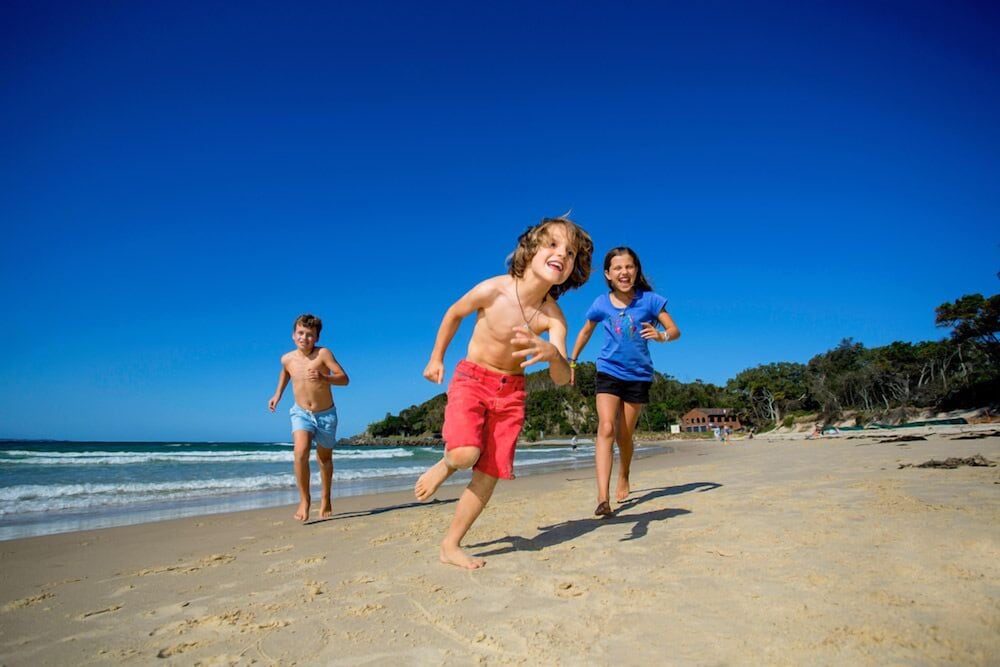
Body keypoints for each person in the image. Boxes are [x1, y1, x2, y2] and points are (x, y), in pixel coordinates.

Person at [414, 215, 594, 569]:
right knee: (466, 454)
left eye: (571, 252)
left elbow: (561, 378)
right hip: (472, 379)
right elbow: (454, 313)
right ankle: (447, 463)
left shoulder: (553, 318)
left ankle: (450, 545)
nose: (563, 254)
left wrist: (553, 355)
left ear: (573, 268)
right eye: (553, 244)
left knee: (489, 474)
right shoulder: (494, 289)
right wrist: (436, 358)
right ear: (529, 249)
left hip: (510, 394)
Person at [569, 247, 680, 517]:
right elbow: (585, 333)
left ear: (636, 271)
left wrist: (661, 335)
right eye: (617, 268)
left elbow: (675, 330)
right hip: (607, 371)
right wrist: (571, 362)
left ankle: (625, 474)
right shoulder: (600, 304)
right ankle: (602, 498)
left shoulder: (651, 301)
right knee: (606, 428)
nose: (624, 272)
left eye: (629, 267)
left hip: (638, 375)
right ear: (607, 274)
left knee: (624, 435)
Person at [268, 314, 350, 522]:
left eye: (310, 335)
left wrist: (324, 377)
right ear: (293, 335)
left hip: (326, 415)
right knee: (300, 453)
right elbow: (286, 373)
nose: (304, 338)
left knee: (324, 459)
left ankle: (326, 497)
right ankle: (304, 500)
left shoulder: (323, 354)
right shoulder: (287, 358)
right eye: (301, 333)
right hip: (301, 413)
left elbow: (344, 379)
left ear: (317, 337)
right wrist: (277, 394)